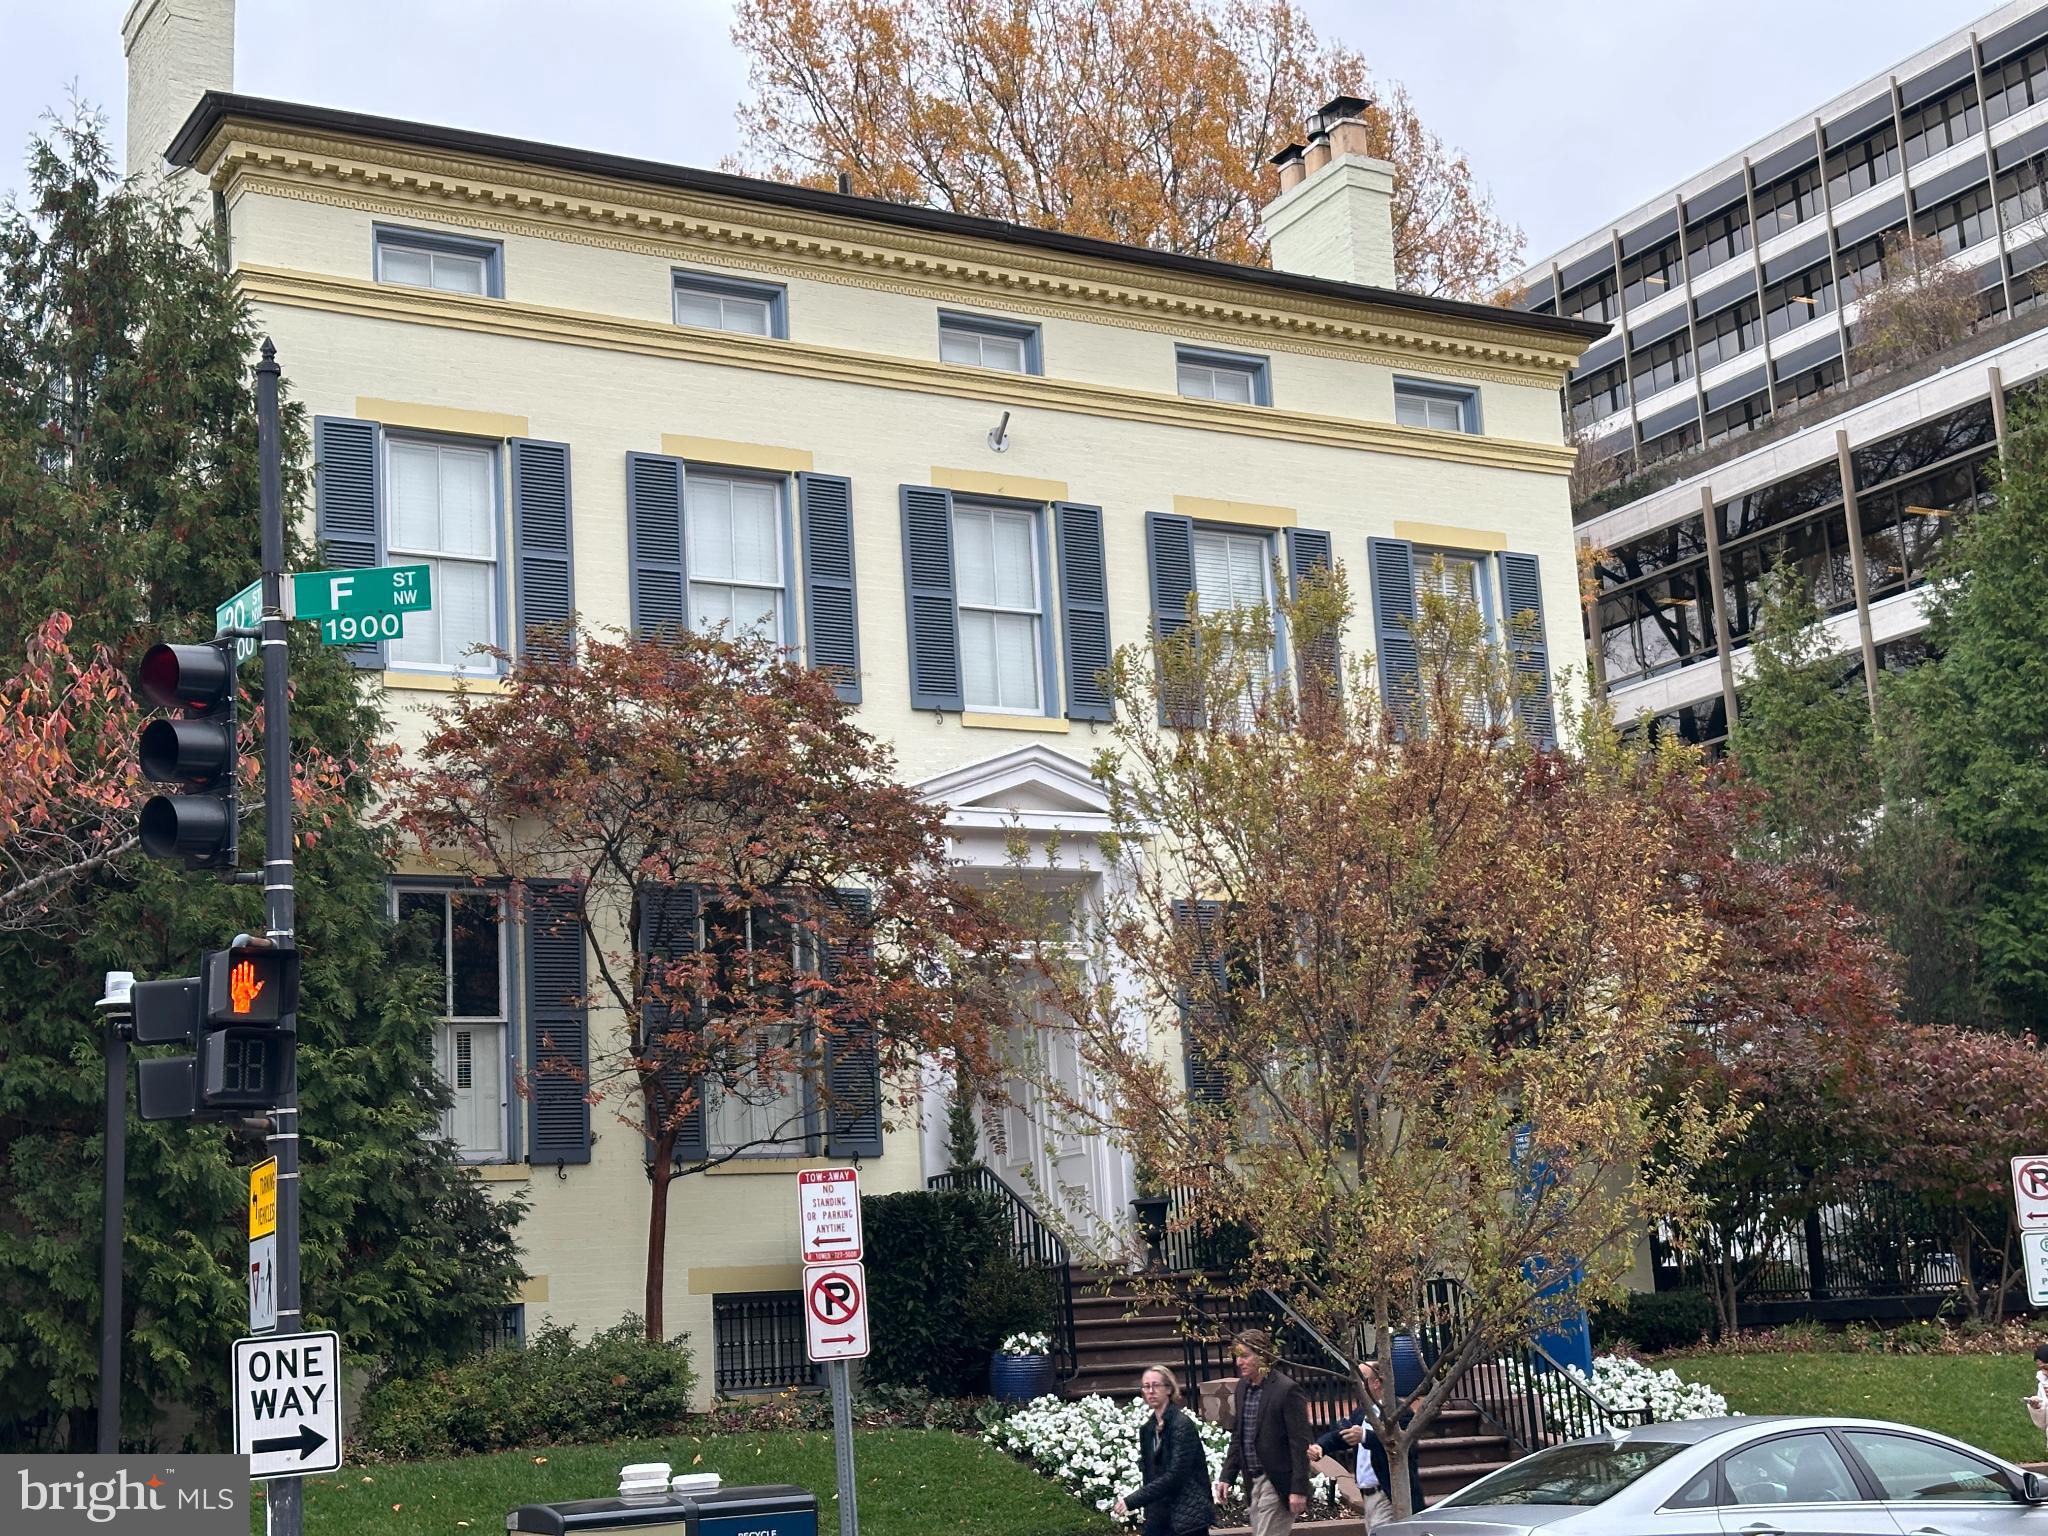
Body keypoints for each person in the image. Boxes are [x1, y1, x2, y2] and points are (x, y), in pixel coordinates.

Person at [1215, 1329, 1313, 1536]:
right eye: (1237, 1356)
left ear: (1262, 1355)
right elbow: (1238, 1436)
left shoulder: (1287, 1390)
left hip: (1277, 1481)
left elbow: (1300, 1443)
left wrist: (1299, 1489)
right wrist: (1227, 1476)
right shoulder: (1242, 1387)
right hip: (1253, 1480)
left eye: (1244, 1355)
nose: (1239, 1362)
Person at [1307, 1360, 1421, 1529]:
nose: (1356, 1384)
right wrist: (1321, 1446)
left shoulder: (1399, 1412)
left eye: (1362, 1379)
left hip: (1388, 1494)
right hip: (1368, 1496)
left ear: (1376, 1383)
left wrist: (1366, 1437)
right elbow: (1341, 1437)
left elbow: (1403, 1446)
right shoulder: (1361, 1413)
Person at [1117, 1365, 1216, 1536]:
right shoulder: (1148, 1429)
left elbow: (1176, 1475)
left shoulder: (1182, 1425)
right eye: (1146, 1386)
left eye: (1156, 1385)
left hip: (1187, 1516)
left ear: (1169, 1389)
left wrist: (1133, 1500)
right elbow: (1150, 1475)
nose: (1151, 1391)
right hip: (1160, 1516)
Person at [2026, 1343, 2048, 1448]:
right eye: (2041, 1368)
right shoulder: (2043, 1384)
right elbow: (2043, 1424)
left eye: (2046, 1368)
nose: (2044, 1372)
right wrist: (2037, 1407)